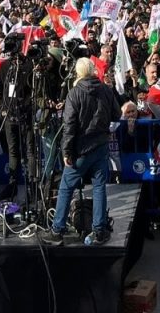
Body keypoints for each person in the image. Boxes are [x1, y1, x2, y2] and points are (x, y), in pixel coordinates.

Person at [41, 58, 118, 247]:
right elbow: (116, 115)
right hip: (100, 146)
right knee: (99, 188)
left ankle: (57, 231)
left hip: (80, 150)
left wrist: (66, 151)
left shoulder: (74, 93)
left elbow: (69, 126)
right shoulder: (106, 90)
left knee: (66, 188)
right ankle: (99, 231)